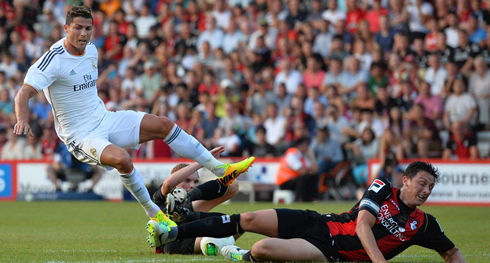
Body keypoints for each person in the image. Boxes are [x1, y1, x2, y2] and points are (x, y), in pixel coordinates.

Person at [14, 6, 254, 224]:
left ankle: (221, 170)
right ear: (66, 28)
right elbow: (23, 92)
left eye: (88, 28)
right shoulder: (53, 59)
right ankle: (154, 213)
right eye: (77, 28)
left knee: (163, 124)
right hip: (80, 136)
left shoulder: (92, 50)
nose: (83, 34)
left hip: (104, 119)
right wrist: (22, 119)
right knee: (122, 160)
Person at [148, 161, 467, 263]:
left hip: (329, 250)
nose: (425, 191)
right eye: (422, 184)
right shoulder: (383, 188)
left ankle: (242, 255)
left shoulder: (424, 224)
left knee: (260, 249)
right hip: (320, 222)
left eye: (430, 188)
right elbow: (362, 227)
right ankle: (176, 231)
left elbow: (452, 253)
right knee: (248, 219)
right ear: (406, 180)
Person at [151, 146, 239, 255]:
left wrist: (213, 164)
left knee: (238, 224)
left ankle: (218, 245)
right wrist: (202, 161)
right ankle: (217, 243)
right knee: (224, 228)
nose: (192, 185)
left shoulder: (195, 199)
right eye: (187, 181)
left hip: (197, 235)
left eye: (196, 181)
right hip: (174, 243)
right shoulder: (162, 198)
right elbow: (168, 184)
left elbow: (233, 186)